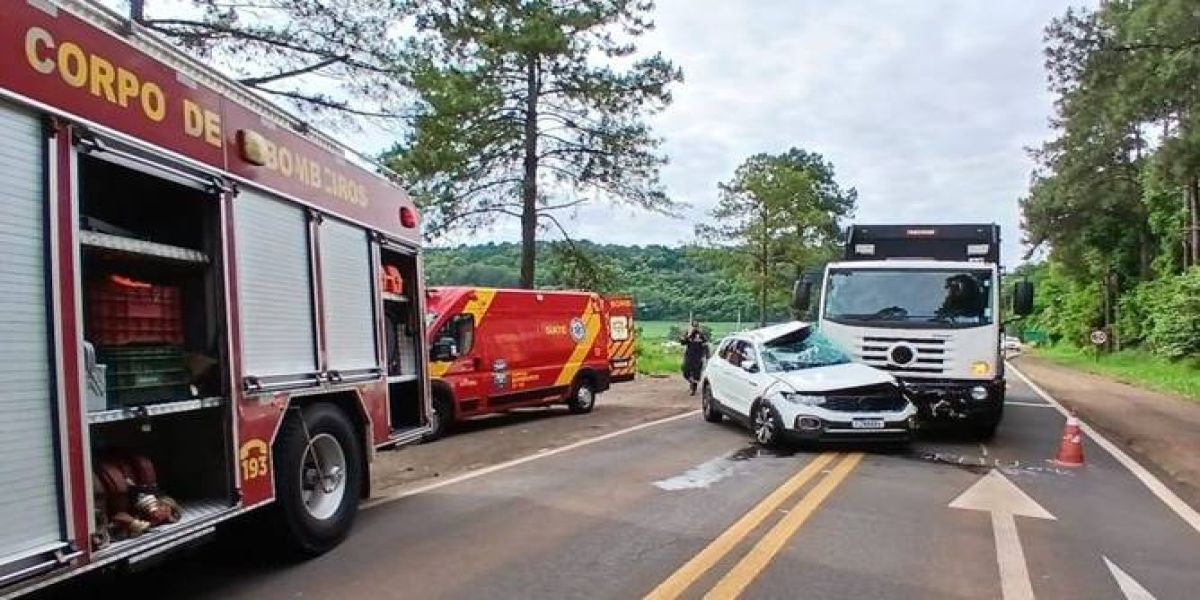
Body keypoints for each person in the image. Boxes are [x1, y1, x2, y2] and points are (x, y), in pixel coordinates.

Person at [679, 320, 710, 396]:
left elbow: (706, 346)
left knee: (696, 374)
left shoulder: (701, 335)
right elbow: (683, 342)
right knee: (685, 372)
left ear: (698, 327)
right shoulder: (689, 335)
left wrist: (707, 356)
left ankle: (693, 389)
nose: (695, 327)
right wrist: (685, 336)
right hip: (689, 357)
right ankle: (691, 382)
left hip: (698, 358)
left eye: (696, 326)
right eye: (693, 326)